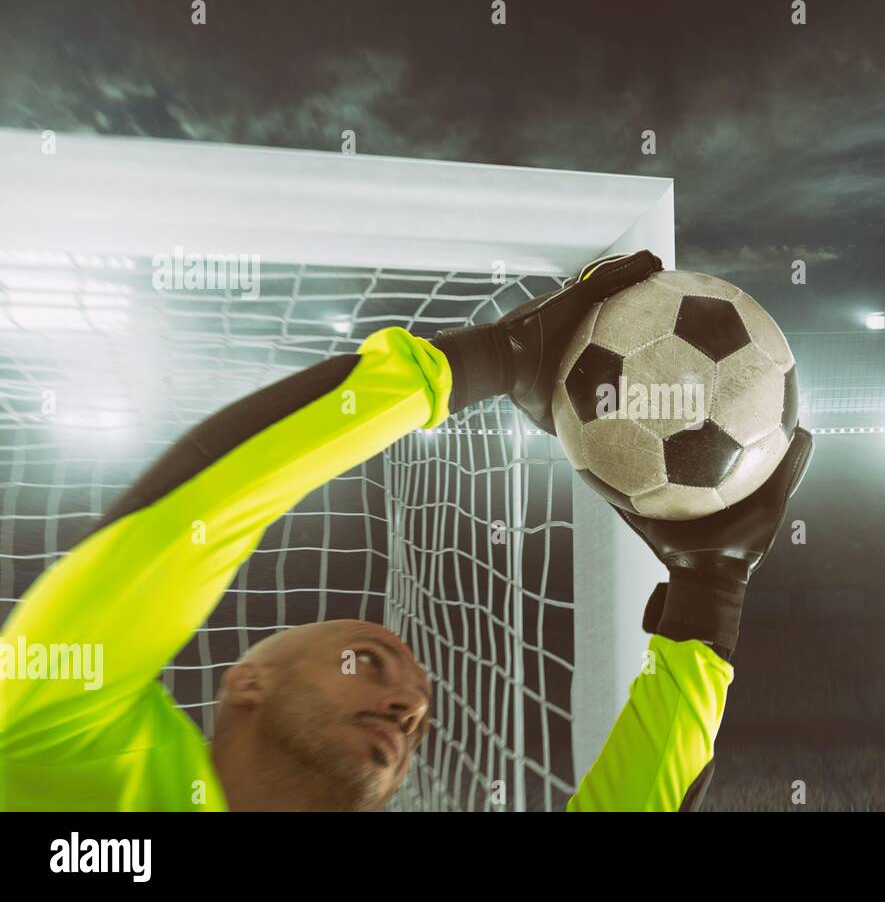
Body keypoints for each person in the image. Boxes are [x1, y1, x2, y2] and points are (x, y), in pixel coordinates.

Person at [0, 249, 813, 812]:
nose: (408, 705)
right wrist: (706, 617)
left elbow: (198, 512)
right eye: (378, 668)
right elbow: (190, 521)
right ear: (246, 680)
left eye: (394, 679)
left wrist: (711, 588)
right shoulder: (66, 732)